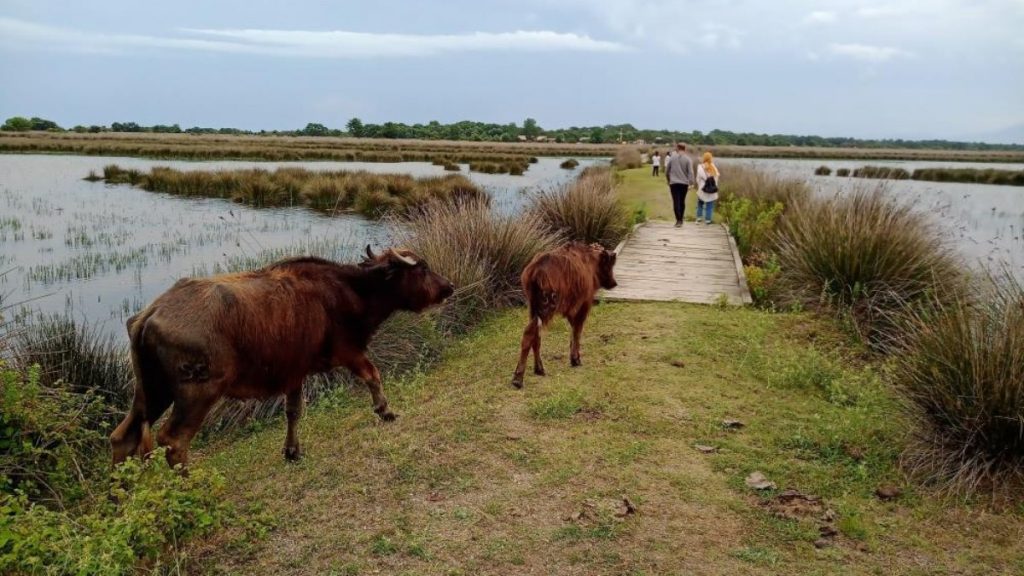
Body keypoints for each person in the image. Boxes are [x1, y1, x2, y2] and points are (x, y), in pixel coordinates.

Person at [665, 143, 694, 227]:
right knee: (682, 201)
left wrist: (668, 180)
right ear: (684, 149)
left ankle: (678, 220)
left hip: (673, 183)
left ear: (677, 148)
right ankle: (681, 219)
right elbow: (690, 173)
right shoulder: (688, 159)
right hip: (684, 184)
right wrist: (691, 183)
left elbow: (667, 171)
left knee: (676, 201)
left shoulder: (672, 158)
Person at [696, 151, 721, 225]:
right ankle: (708, 220)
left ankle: (699, 218)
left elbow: (698, 178)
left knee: (700, 203)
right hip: (711, 189)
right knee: (709, 205)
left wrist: (699, 185)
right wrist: (713, 186)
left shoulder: (700, 167)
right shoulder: (713, 167)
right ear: (711, 158)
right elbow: (716, 178)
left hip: (702, 188)